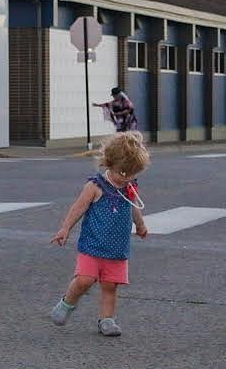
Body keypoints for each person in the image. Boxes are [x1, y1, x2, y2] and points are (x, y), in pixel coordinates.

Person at [49, 131, 150, 336]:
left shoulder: (128, 187)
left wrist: (140, 224)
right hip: (92, 247)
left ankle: (107, 319)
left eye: (133, 174)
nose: (128, 178)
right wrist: (65, 228)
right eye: (123, 173)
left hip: (117, 249)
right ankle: (67, 303)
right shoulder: (95, 186)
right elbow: (78, 208)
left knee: (110, 285)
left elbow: (133, 207)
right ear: (109, 163)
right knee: (85, 280)